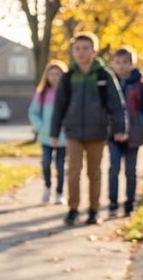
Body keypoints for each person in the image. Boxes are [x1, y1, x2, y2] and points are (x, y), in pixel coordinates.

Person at [50, 32, 128, 226]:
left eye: (85, 49)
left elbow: (117, 104)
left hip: (97, 132)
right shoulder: (68, 77)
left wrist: (120, 128)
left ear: (93, 52)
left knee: (94, 173)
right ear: (73, 51)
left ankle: (94, 209)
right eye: (77, 49)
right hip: (73, 132)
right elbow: (59, 106)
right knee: (73, 171)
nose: (81, 52)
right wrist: (54, 132)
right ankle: (73, 209)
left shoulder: (104, 75)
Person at [107, 46, 143, 218]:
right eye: (118, 62)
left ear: (131, 64)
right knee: (113, 169)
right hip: (114, 135)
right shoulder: (109, 83)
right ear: (113, 64)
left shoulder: (139, 85)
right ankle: (113, 202)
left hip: (134, 135)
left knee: (130, 170)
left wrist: (141, 123)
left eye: (125, 62)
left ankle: (130, 202)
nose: (121, 66)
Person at [28, 60, 68, 205]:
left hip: (64, 137)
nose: (54, 78)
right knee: (46, 162)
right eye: (51, 74)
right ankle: (47, 187)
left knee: (61, 166)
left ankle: (59, 192)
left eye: (57, 74)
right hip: (46, 136)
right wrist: (41, 127)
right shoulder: (43, 94)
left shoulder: (67, 93)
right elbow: (33, 112)